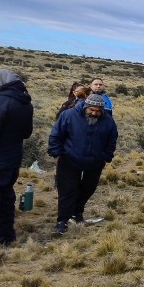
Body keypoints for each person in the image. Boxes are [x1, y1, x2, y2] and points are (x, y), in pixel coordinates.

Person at [48, 94, 118, 234]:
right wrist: (56, 154)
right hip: (69, 159)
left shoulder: (108, 121)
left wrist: (105, 157)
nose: (94, 113)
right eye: (91, 110)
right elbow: (56, 135)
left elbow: (112, 140)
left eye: (98, 111)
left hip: (94, 162)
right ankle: (62, 221)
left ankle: (77, 213)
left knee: (88, 188)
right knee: (68, 191)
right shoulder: (68, 115)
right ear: (85, 107)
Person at [0, 70, 34, 246]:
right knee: (6, 197)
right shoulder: (26, 103)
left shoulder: (1, 101)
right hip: (13, 159)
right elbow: (27, 133)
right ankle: (6, 237)